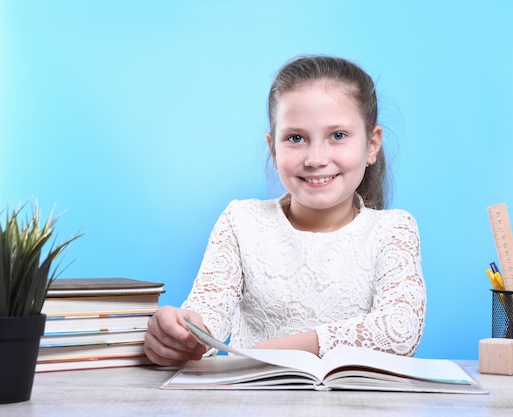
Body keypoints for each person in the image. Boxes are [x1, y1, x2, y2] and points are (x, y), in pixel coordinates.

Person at [143, 55, 426, 366]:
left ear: (372, 145)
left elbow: (400, 330)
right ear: (273, 149)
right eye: (295, 138)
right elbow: (207, 314)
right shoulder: (242, 222)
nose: (315, 158)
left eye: (338, 135)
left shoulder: (393, 229)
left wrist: (289, 347)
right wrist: (181, 332)